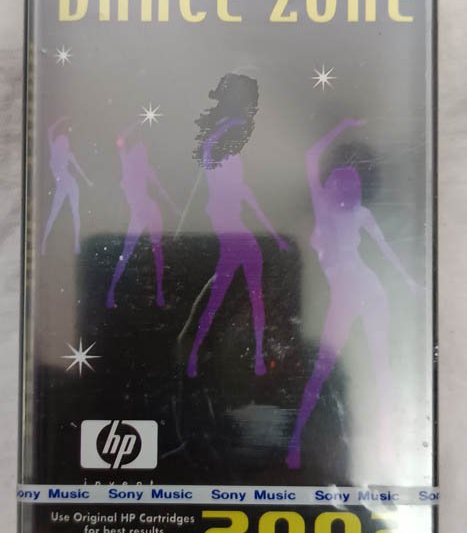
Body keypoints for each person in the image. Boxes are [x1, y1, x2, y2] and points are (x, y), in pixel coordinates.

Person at [286, 118, 419, 469]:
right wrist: (341, 126)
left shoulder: (360, 214)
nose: (347, 185)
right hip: (344, 295)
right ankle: (295, 443)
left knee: (380, 365)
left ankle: (390, 449)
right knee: (324, 368)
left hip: (368, 288)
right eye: (342, 178)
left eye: (352, 180)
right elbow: (311, 158)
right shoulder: (322, 212)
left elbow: (387, 250)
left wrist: (410, 282)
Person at [187, 74, 288, 378]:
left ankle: (202, 354)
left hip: (233, 228)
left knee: (232, 296)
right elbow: (239, 192)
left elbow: (246, 196)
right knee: (242, 296)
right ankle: (250, 358)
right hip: (231, 229)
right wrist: (231, 123)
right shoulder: (219, 149)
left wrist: (274, 235)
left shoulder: (221, 151)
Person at [106, 128, 180, 308]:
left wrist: (175, 209)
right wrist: (135, 125)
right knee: (126, 252)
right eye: (140, 151)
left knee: (157, 251)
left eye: (144, 152)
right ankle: (111, 293)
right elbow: (120, 139)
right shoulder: (126, 163)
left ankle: (159, 293)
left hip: (151, 209)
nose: (143, 154)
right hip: (138, 213)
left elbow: (161, 191)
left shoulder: (146, 169)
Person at [41, 117, 92, 255]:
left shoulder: (68, 154)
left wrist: (87, 181)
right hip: (61, 187)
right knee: (53, 214)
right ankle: (43, 243)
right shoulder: (53, 150)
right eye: (62, 141)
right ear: (59, 142)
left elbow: (79, 169)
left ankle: (76, 243)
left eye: (65, 142)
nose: (64, 143)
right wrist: (61, 120)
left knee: (75, 212)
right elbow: (49, 131)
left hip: (71, 184)